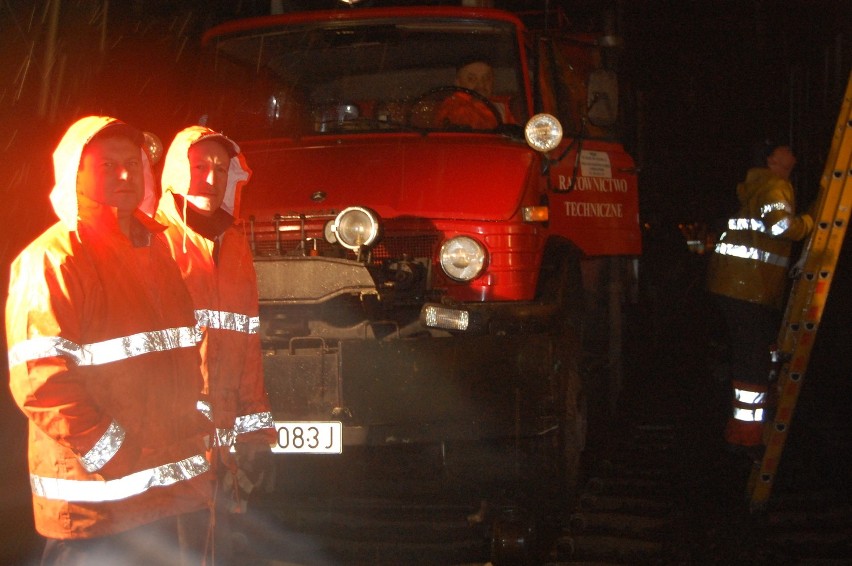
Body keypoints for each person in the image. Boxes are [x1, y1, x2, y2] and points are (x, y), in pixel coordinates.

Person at [5, 116, 214, 564]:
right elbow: (40, 382)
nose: (124, 175)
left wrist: (192, 429)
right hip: (95, 510)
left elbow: (176, 353)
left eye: (132, 164)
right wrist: (113, 452)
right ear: (74, 175)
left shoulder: (156, 250)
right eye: (107, 166)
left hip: (163, 500)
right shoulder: (51, 260)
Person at [156, 126, 276, 558]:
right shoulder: (154, 243)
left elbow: (247, 347)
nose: (210, 178)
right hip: (169, 446)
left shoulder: (236, 247)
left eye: (220, 169)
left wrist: (255, 437)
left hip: (218, 454)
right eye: (198, 167)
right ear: (175, 173)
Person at [707, 141, 814, 453]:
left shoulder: (755, 186)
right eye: (784, 149)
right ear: (772, 160)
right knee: (752, 362)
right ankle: (745, 435)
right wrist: (809, 223)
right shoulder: (775, 185)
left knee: (749, 356)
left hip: (733, 286)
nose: (791, 150)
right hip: (748, 288)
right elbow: (781, 226)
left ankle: (744, 429)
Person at [435, 59, 513, 129]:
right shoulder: (451, 108)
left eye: (486, 78)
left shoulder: (504, 107)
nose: (481, 85)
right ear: (458, 83)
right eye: (471, 79)